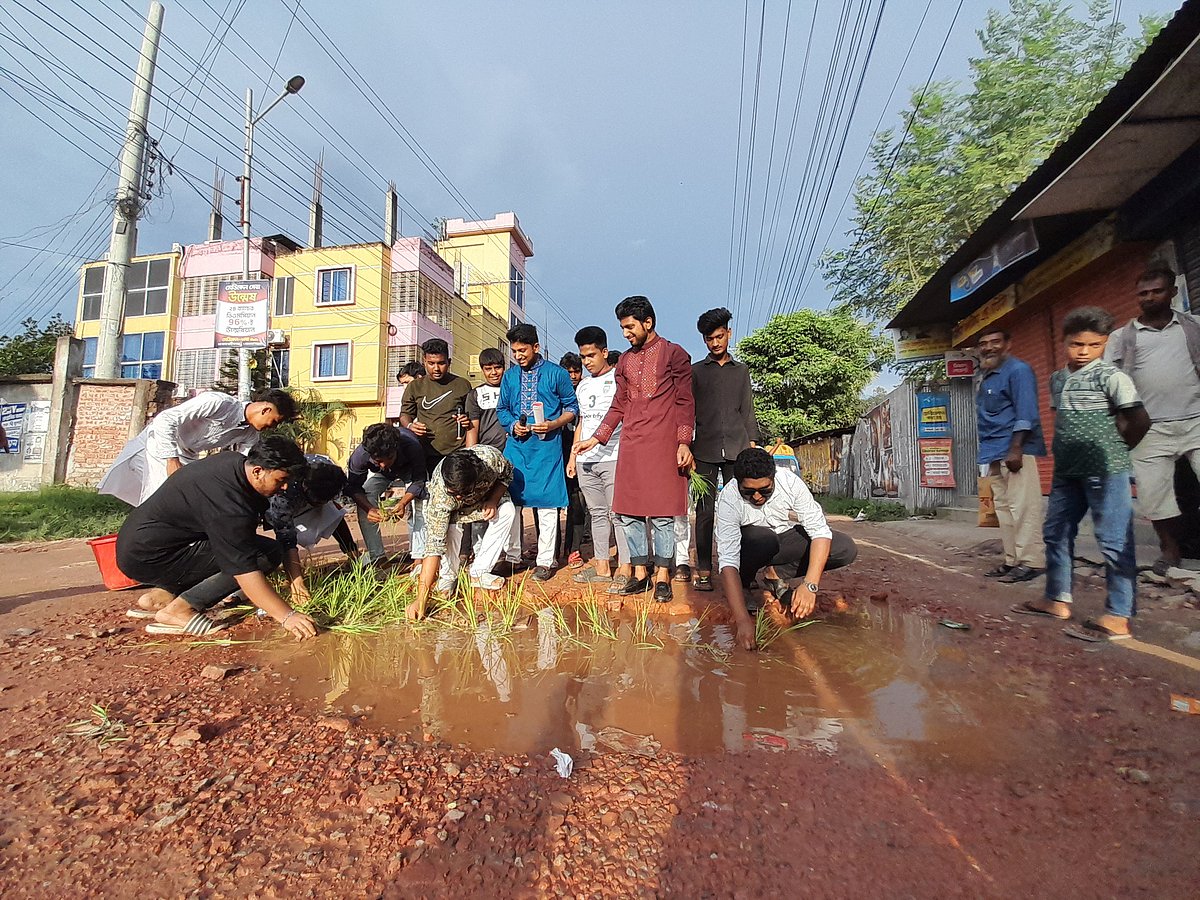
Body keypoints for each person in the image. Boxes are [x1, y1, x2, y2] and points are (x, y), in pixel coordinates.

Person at [1014, 308, 1149, 641]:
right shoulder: (1058, 379)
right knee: (1055, 532)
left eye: (1094, 344)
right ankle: (1057, 598)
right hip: (1066, 470)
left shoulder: (1111, 377)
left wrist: (1115, 451)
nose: (1084, 351)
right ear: (1065, 342)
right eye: (1076, 344)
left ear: (1104, 343)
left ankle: (1119, 614)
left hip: (1105, 469)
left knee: (1114, 540)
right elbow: (1062, 420)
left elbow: (1139, 420)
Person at [115, 436, 318, 640]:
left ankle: (163, 594)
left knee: (256, 547)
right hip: (149, 557)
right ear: (258, 472)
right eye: (281, 480)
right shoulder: (229, 506)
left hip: (142, 546)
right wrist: (287, 616)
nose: (284, 488)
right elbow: (244, 569)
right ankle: (178, 610)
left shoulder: (232, 463)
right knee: (263, 555)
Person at [574, 296, 695, 602]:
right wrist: (597, 437)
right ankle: (640, 575)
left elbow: (685, 401)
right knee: (628, 512)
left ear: (648, 322)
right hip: (631, 445)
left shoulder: (674, 354)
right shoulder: (625, 361)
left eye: (629, 327)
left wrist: (684, 442)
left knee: (663, 514)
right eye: (622, 328)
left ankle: (663, 576)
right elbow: (619, 405)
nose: (625, 333)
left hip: (664, 444)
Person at [1105, 264, 1200, 575]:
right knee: (1154, 494)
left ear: (1172, 292)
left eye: (1156, 291)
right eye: (1142, 293)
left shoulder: (1194, 326)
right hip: (1149, 428)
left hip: (1196, 421)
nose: (1149, 297)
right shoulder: (1121, 338)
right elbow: (1110, 383)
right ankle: (1169, 551)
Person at [716, 448, 858, 651]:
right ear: (738, 483)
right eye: (749, 492)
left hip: (782, 539)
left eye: (765, 490)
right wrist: (742, 621)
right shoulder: (728, 498)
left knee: (844, 547)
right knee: (762, 538)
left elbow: (820, 532)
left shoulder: (790, 482)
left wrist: (810, 585)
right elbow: (728, 561)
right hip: (751, 546)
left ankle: (774, 574)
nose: (757, 497)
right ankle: (745, 583)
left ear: (774, 478)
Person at [99, 388, 297, 506]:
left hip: (189, 457)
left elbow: (241, 464)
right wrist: (172, 460)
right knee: (162, 499)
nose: (273, 427)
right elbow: (165, 420)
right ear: (265, 409)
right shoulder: (218, 403)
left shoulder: (250, 434)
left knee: (189, 500)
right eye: (275, 421)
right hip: (162, 445)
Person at [496, 324, 579, 581]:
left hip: (547, 448)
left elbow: (572, 408)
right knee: (511, 503)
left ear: (535, 347)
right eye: (515, 351)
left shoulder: (557, 374)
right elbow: (502, 410)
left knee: (547, 505)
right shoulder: (509, 377)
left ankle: (545, 560)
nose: (518, 355)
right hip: (517, 449)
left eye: (523, 350)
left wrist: (553, 424)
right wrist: (513, 425)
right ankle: (513, 557)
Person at [690, 306, 760, 591]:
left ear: (729, 334)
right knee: (704, 512)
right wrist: (685, 446)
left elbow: (748, 410)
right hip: (703, 451)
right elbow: (687, 412)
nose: (715, 343)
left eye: (720, 336)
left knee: (744, 510)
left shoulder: (741, 370)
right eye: (710, 339)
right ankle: (705, 569)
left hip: (738, 451)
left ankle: (745, 570)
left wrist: (752, 446)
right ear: (704, 341)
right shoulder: (695, 372)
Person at [410, 445, 519, 618]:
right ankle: (447, 578)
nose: (459, 497)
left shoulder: (492, 460)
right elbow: (434, 548)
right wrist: (420, 600)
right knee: (450, 531)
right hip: (453, 510)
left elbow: (507, 475)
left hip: (484, 498)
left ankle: (479, 571)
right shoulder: (441, 496)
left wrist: (493, 500)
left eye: (463, 492)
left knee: (508, 511)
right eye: (454, 493)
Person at [975, 326, 1047, 583]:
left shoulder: (1018, 371)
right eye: (983, 343)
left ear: (1008, 344)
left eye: (995, 341)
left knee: (1023, 507)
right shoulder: (986, 375)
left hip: (1016, 450)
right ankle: (1012, 560)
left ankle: (1032, 562)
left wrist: (1016, 448)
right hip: (994, 451)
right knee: (1004, 509)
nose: (989, 347)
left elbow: (1027, 412)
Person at [568, 327, 633, 589]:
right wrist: (574, 457)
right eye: (583, 357)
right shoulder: (583, 385)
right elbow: (582, 421)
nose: (587, 362)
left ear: (604, 352)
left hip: (614, 456)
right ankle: (602, 566)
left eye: (591, 355)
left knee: (618, 513)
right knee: (596, 513)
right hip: (586, 460)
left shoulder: (619, 381)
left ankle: (626, 567)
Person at [347, 423, 427, 566]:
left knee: (420, 505)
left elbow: (419, 481)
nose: (383, 464)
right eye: (378, 461)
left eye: (388, 458)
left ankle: (419, 557)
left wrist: (403, 503)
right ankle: (377, 557)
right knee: (366, 497)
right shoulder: (360, 456)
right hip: (382, 475)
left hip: (410, 472)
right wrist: (369, 509)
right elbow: (353, 487)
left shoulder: (411, 445)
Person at [266, 455, 360, 569]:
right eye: (319, 501)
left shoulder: (329, 472)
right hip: (273, 508)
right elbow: (285, 535)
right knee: (282, 540)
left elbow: (337, 512)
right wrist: (295, 575)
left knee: (333, 513)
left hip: (308, 494)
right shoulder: (285, 492)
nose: (322, 504)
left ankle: (354, 555)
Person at [400, 338, 475, 474]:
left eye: (441, 363)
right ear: (424, 362)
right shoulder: (415, 386)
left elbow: (472, 416)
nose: (436, 368)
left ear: (449, 362)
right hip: (426, 453)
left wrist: (465, 420)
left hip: (457, 452)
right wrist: (410, 426)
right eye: (431, 363)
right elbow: (405, 414)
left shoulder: (462, 385)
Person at [558, 352, 588, 568]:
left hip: (580, 455)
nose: (572, 376)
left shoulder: (586, 394)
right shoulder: (552, 394)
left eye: (576, 371)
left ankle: (573, 549)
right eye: (568, 372)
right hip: (555, 456)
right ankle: (549, 548)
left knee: (577, 504)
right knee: (549, 506)